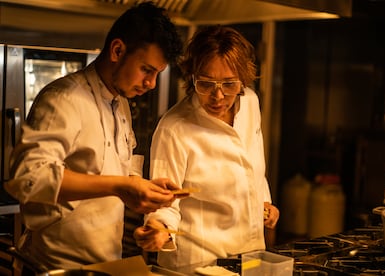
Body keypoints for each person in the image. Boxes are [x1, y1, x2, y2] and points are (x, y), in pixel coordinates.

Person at [4, 1, 183, 270]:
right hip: (56, 267)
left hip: (105, 263)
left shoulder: (120, 103)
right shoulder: (64, 98)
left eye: (157, 74)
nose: (151, 84)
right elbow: (30, 178)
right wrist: (120, 187)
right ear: (118, 50)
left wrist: (145, 188)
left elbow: (119, 170)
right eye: (147, 70)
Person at [134, 25, 280, 271]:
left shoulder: (250, 103)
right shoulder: (174, 128)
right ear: (192, 77)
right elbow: (165, 201)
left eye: (229, 84)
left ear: (243, 80)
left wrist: (263, 202)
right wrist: (159, 231)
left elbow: (253, 164)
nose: (218, 96)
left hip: (251, 255)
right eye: (206, 84)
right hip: (199, 263)